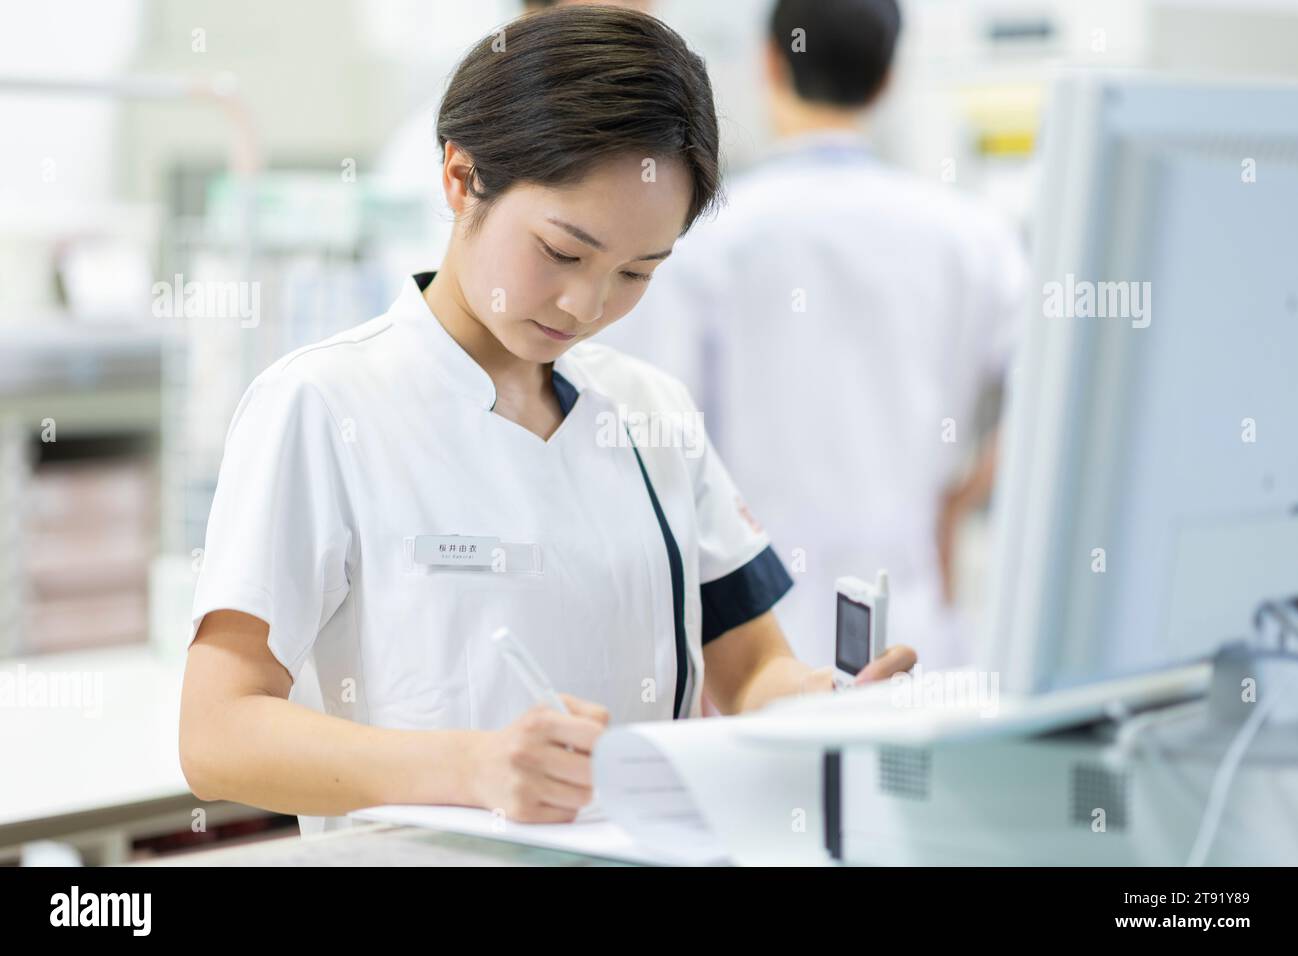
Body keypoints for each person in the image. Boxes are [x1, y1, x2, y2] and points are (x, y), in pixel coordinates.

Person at [179, 5, 917, 837]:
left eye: (636, 271)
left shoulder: (651, 414)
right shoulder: (322, 406)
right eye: (562, 253)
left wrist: (826, 704)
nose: (586, 305)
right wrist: (471, 768)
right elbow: (217, 733)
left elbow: (753, 670)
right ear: (461, 179)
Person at [600, 0, 1029, 670]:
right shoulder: (972, 237)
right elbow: (1055, 393)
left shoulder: (705, 240)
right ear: (889, 77)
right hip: (917, 626)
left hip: (751, 636)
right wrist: (961, 496)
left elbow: (650, 443)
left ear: (769, 63)